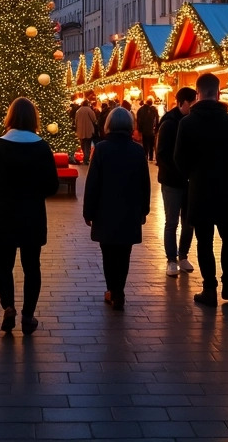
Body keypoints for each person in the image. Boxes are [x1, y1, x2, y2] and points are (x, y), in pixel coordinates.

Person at [0, 97, 59, 335]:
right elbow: (52, 185)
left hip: (3, 214)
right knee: (32, 267)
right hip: (32, 215)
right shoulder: (42, 147)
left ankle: (8, 308)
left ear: (10, 117)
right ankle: (28, 315)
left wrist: (1, 195)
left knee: (3, 266)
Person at [175, 72, 228, 306]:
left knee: (204, 240)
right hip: (226, 188)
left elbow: (179, 159)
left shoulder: (187, 122)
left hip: (200, 189)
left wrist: (193, 176)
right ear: (218, 93)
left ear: (197, 94)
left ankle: (209, 289)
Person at [83, 107, 151, 311]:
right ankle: (119, 290)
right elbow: (144, 184)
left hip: (106, 210)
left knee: (108, 252)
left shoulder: (102, 149)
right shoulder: (137, 150)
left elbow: (92, 182)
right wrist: (144, 210)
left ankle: (112, 290)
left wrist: (89, 211)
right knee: (124, 252)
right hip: (130, 210)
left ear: (109, 125)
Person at [156, 87, 197, 277]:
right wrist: (180, 172)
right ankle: (171, 259)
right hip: (172, 181)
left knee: (189, 222)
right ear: (183, 103)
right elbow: (162, 154)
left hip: (190, 181)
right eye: (192, 103)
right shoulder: (169, 123)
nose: (194, 106)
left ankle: (183, 256)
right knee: (171, 222)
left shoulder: (194, 121)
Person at [74, 98, 98, 165]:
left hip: (80, 130)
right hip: (89, 130)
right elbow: (94, 119)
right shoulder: (89, 110)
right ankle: (86, 159)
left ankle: (85, 157)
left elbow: (75, 121)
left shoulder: (78, 111)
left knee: (82, 144)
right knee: (87, 144)